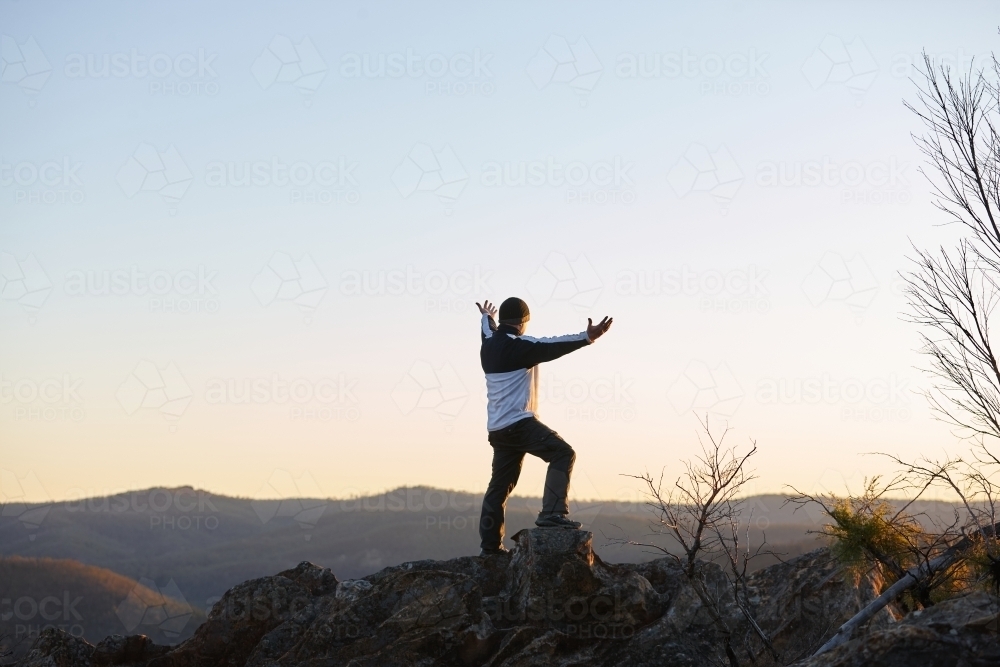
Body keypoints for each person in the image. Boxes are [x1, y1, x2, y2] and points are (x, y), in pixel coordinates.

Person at [476, 296, 613, 556]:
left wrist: (486, 315)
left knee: (498, 487)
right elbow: (552, 345)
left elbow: (487, 328)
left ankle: (490, 548)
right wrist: (587, 337)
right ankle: (552, 514)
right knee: (563, 453)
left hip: (497, 429)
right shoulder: (521, 347)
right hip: (519, 423)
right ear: (523, 323)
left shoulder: (489, 343)